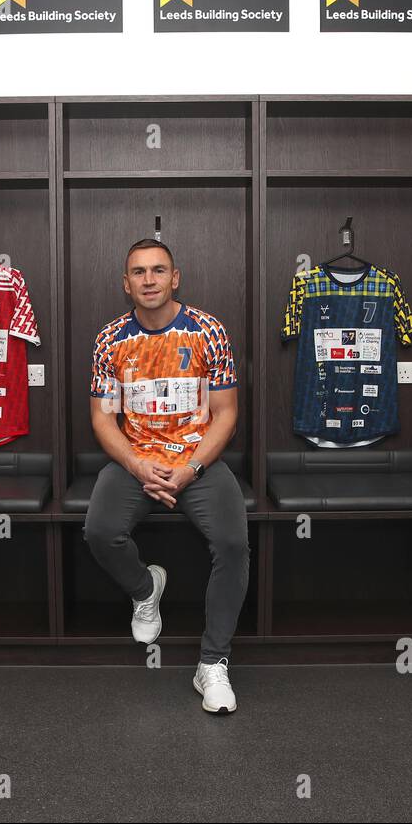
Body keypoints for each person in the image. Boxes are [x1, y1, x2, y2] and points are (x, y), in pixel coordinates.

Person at [85, 239, 250, 714]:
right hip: (135, 460)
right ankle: (145, 588)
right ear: (126, 283)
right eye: (139, 272)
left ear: (175, 278)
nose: (149, 279)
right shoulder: (110, 339)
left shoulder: (208, 331)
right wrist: (137, 465)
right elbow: (102, 419)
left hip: (197, 460)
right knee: (99, 531)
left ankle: (212, 664)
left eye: (159, 270)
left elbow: (226, 414)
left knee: (234, 544)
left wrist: (190, 468)